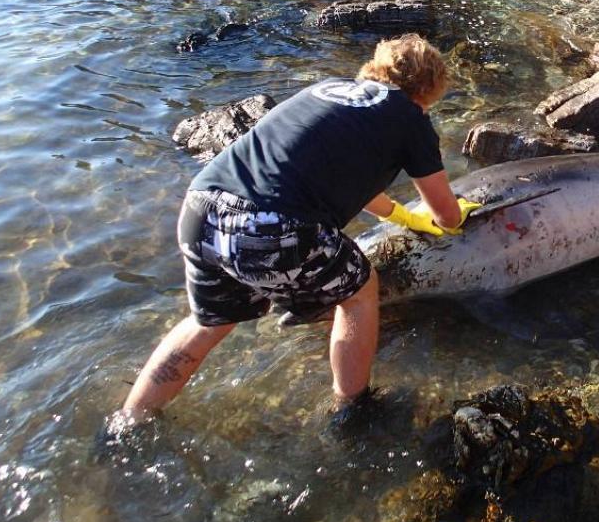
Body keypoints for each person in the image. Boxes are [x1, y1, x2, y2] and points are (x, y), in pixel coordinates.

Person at [119, 34, 478, 422]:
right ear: (428, 89)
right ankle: (352, 408)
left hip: (202, 205)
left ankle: (130, 419)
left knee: (209, 322)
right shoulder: (411, 118)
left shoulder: (329, 89)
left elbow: (351, 183)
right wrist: (451, 217)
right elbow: (446, 215)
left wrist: (401, 216)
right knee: (358, 291)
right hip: (267, 224)